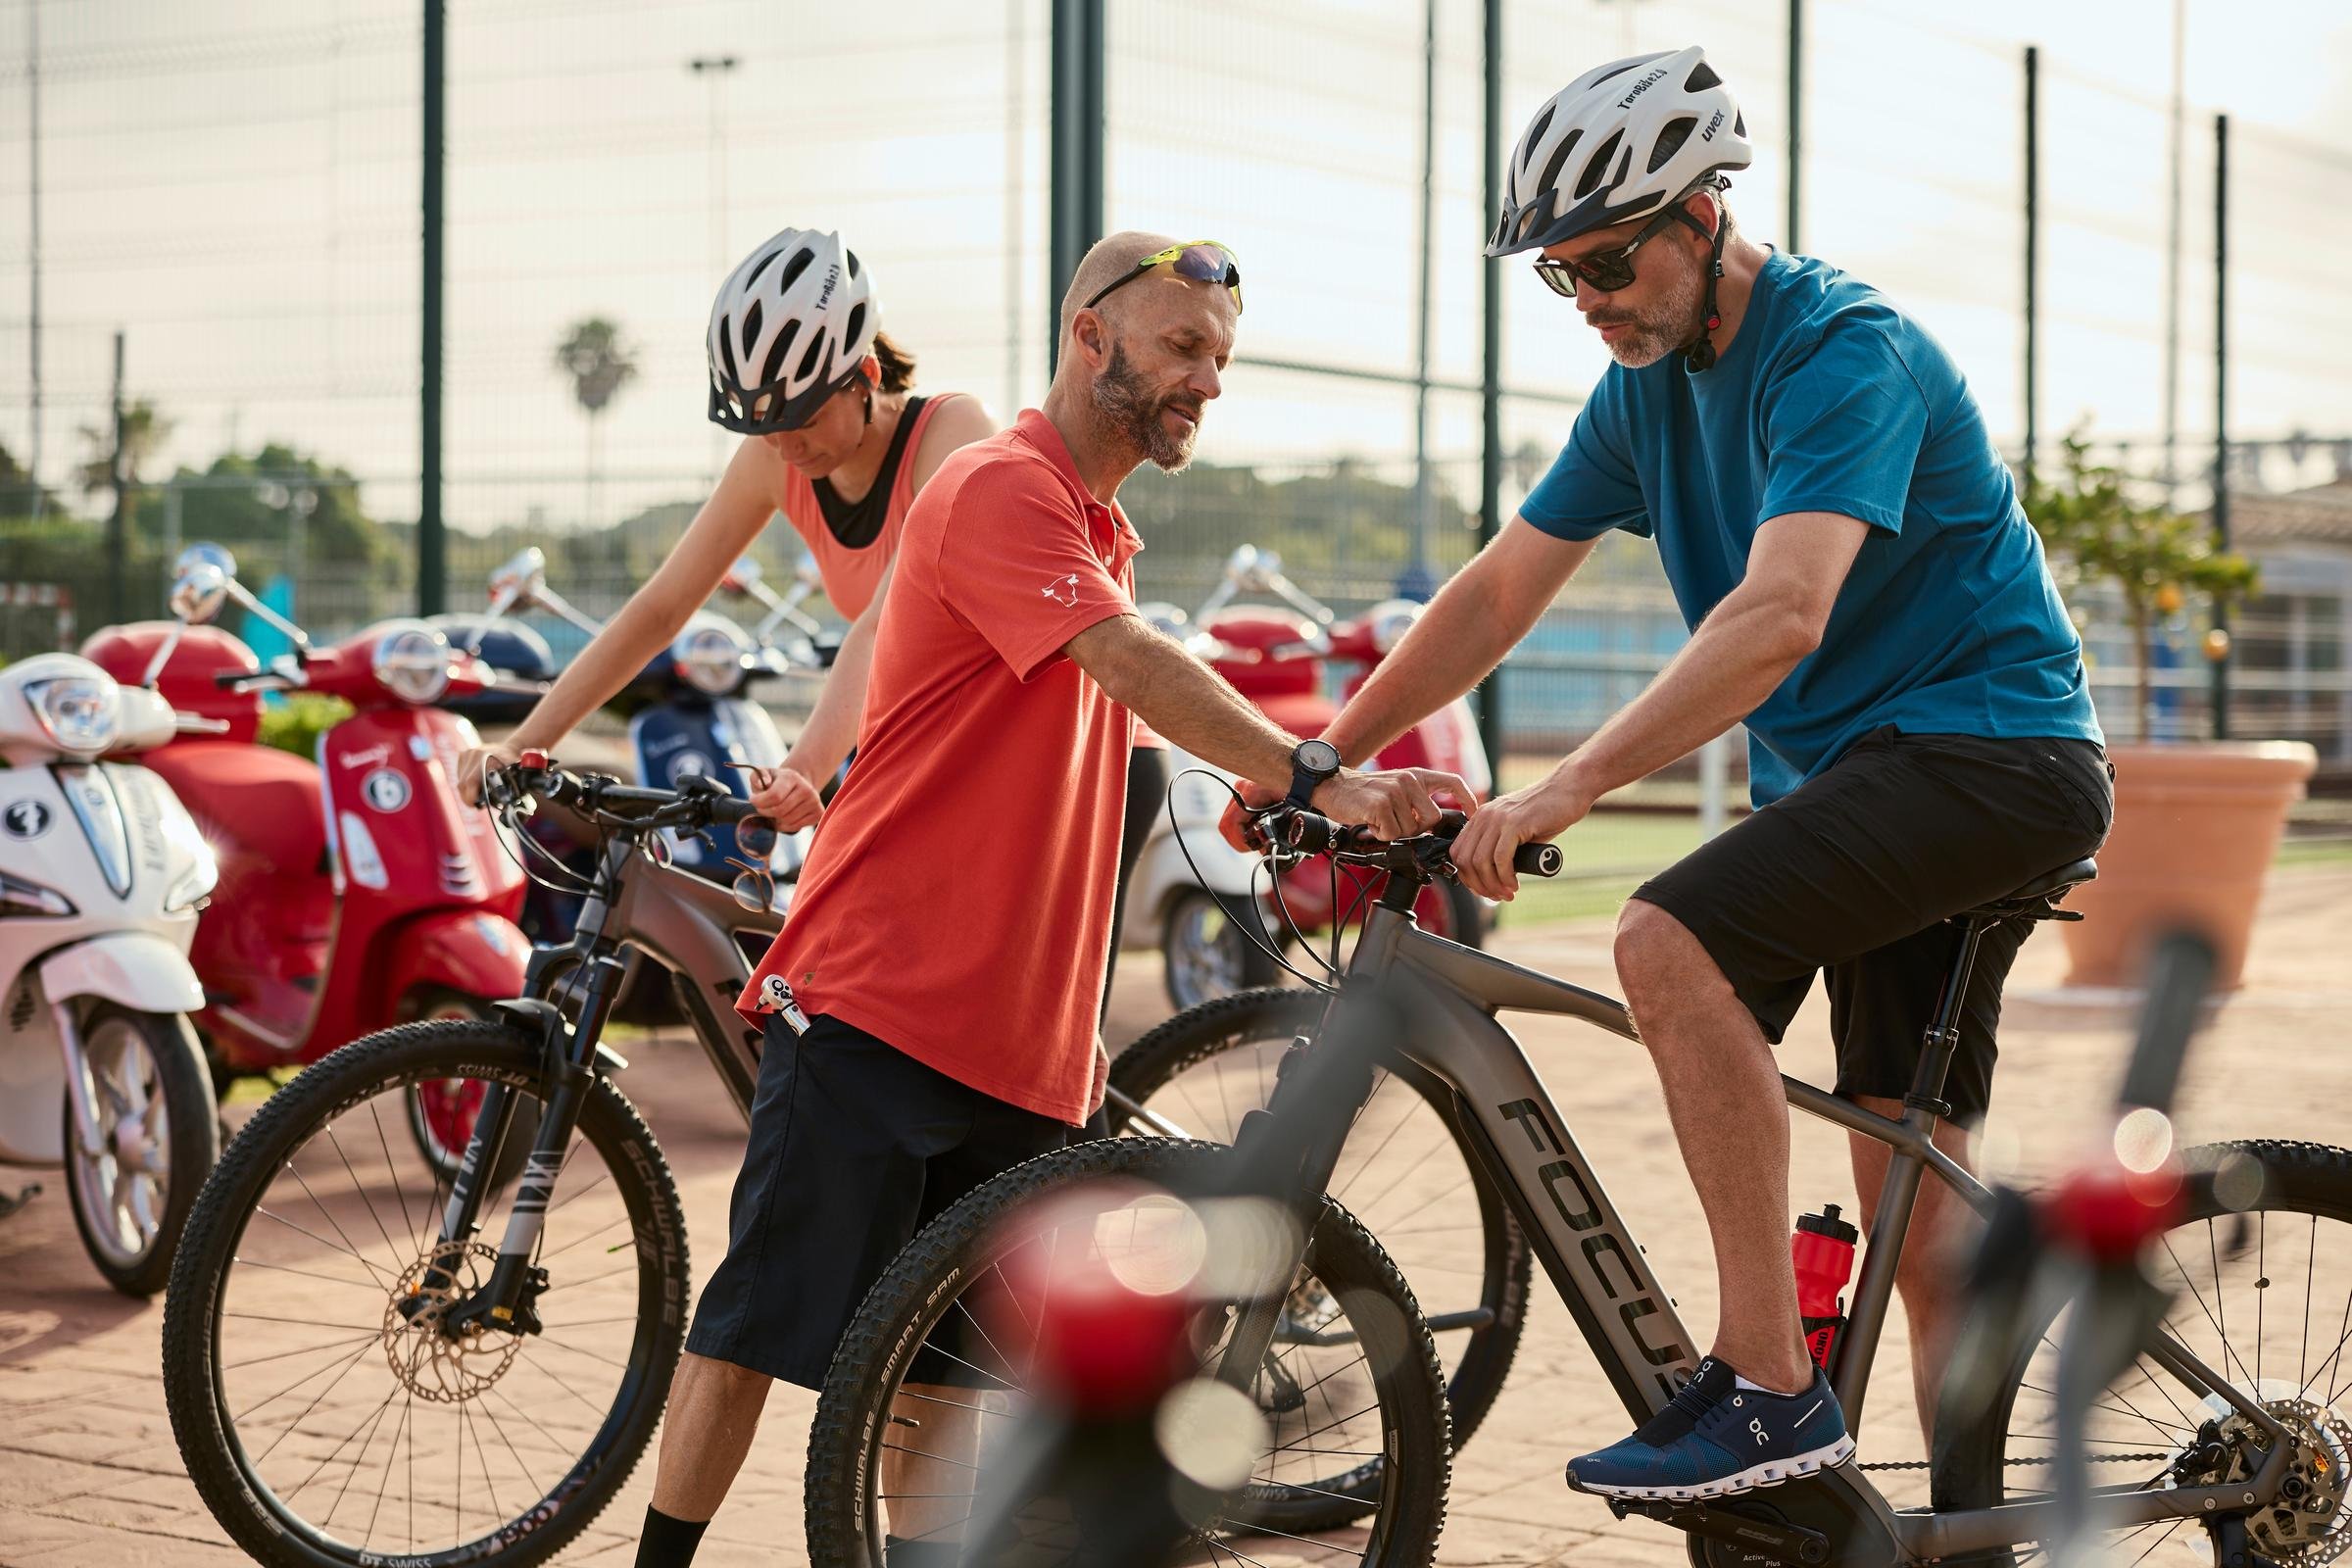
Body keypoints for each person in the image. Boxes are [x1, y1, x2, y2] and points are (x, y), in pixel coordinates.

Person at [474, 229, 1470, 1568]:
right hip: (882, 995)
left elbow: (1106, 705)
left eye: (1218, 359)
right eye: (1183, 349)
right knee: (756, 1328)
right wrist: (1315, 770)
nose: (1207, 382)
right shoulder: (1000, 485)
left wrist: (1271, 789)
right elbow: (1120, 658)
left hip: (1024, 1037)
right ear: (1090, 337)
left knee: (945, 1376)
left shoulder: (1092, 521)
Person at [1237, 46, 2112, 1500]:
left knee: (1668, 939)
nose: (1587, 301)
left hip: (1991, 756)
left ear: (1703, 214)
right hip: (1863, 783)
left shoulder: (1846, 352)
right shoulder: (1642, 390)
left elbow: (1779, 616)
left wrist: (1563, 786)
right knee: (1910, 1189)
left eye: (1606, 263)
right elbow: (1497, 593)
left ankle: (1771, 1393)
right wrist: (1320, 754)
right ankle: (1976, 1527)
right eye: (1559, 277)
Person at [463, 227, 995, 833]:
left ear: (866, 374)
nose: (787, 445)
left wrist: (802, 768)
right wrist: (525, 744)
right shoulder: (776, 457)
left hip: (1048, 742)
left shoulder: (956, 432)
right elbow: (661, 610)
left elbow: (886, 623)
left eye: (808, 418)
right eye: (766, 423)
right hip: (929, 747)